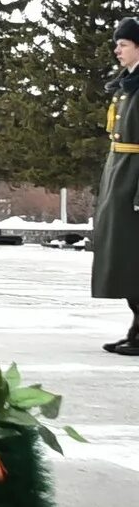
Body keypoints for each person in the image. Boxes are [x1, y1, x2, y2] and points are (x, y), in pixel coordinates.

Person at [93, 18, 139, 354]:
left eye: (123, 44)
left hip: (133, 178)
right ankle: (136, 328)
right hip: (120, 175)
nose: (117, 50)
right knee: (122, 258)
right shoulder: (128, 85)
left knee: (132, 257)